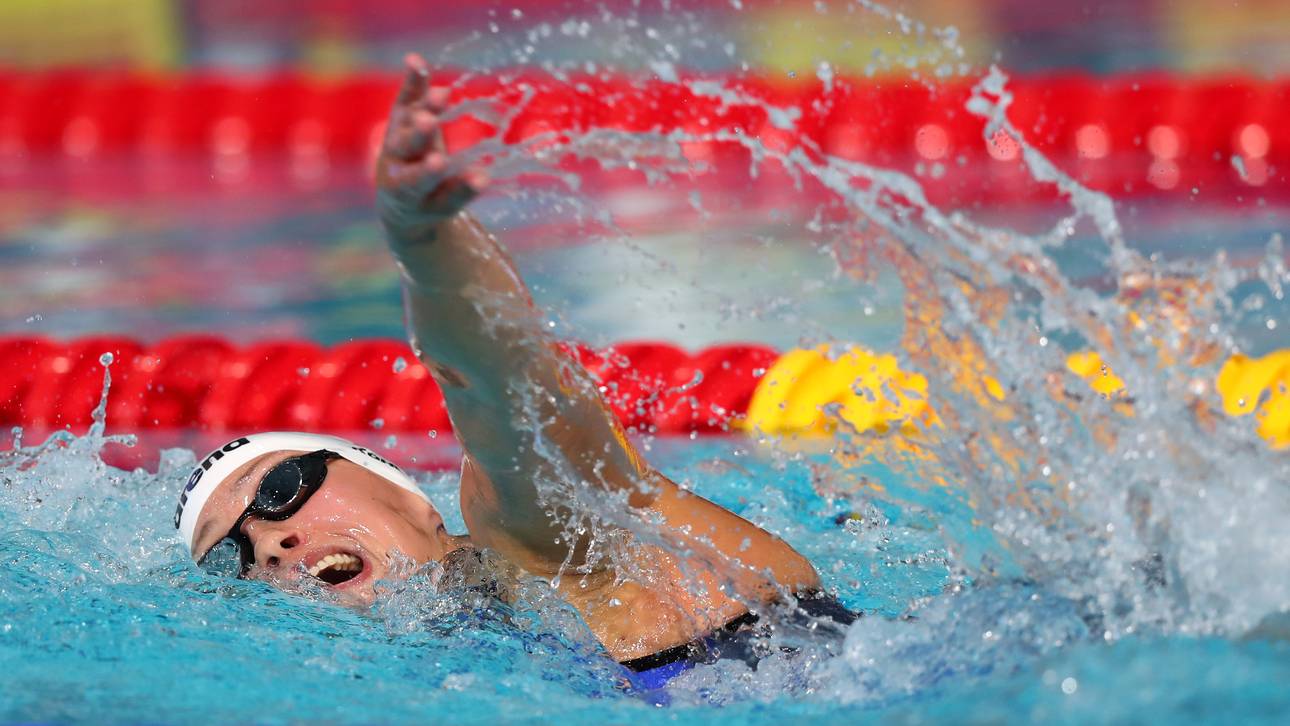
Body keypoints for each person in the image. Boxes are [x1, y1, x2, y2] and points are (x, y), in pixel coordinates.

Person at [175, 53, 851, 687]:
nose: (267, 542)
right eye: (230, 559)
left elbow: (500, 385)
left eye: (281, 489)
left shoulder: (550, 550)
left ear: (408, 495)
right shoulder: (451, 666)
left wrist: (423, 239)